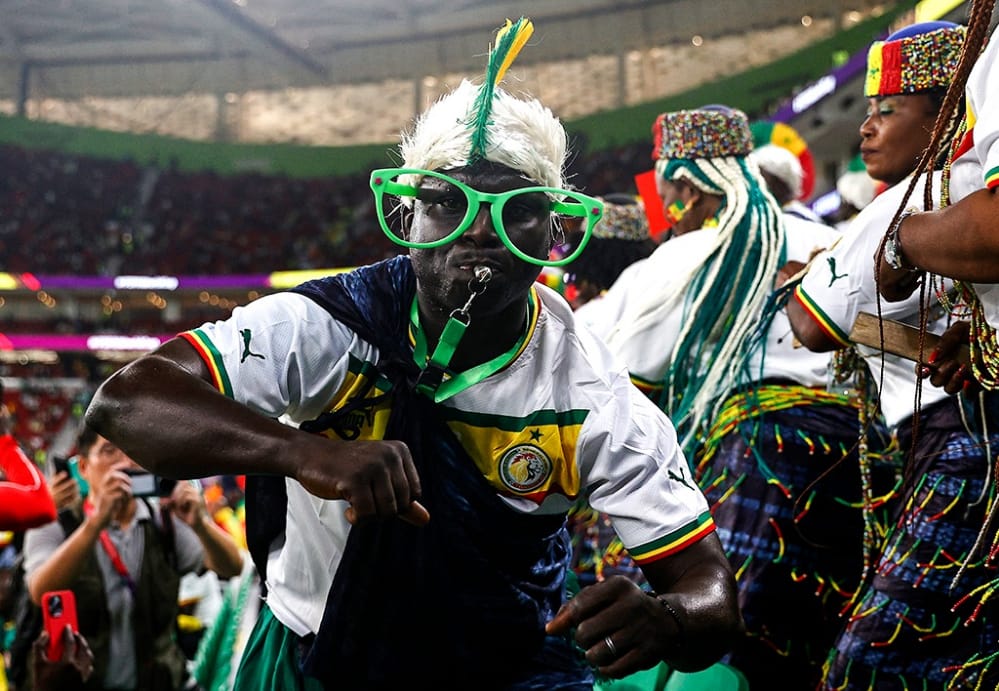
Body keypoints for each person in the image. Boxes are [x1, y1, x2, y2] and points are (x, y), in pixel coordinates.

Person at [82, 17, 743, 690]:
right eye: (447, 202)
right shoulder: (326, 325)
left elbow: (708, 585)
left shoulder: (588, 390)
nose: (480, 230)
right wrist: (306, 454)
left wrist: (670, 619)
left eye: (515, 209)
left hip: (499, 672)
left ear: (552, 230)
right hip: (316, 660)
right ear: (407, 217)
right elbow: (128, 400)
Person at [576, 105, 879, 690]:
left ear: (686, 189)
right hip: (860, 467)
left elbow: (626, 390)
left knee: (706, 643)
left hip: (755, 471)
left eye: (666, 192)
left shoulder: (682, 259)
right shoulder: (830, 238)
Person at [782, 20, 999, 689]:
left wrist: (879, 249)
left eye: (887, 110)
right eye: (867, 111)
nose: (865, 127)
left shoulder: (897, 210)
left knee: (868, 664)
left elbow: (808, 325)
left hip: (954, 445)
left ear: (944, 115)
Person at [21, 424, 244, 691]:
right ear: (83, 467)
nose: (125, 462)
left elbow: (233, 567)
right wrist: (96, 523)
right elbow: (40, 590)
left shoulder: (164, 520)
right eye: (109, 451)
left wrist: (200, 524)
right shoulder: (56, 522)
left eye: (132, 450)